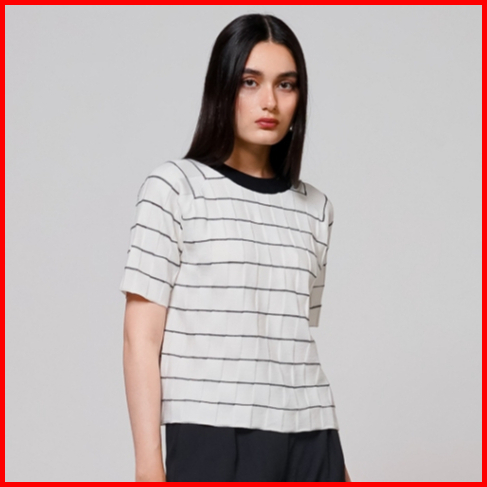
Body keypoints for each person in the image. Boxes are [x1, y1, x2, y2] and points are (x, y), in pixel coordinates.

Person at [120, 13, 352, 482]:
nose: (270, 101)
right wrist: (148, 466)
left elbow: (291, 337)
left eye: (286, 85)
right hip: (213, 432)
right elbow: (140, 339)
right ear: (222, 88)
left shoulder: (316, 208)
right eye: (250, 81)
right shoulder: (175, 187)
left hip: (313, 435)